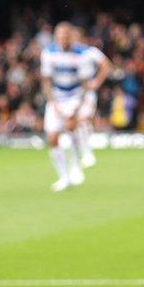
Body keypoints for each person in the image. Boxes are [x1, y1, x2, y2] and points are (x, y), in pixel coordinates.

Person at [41, 22, 104, 191]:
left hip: (74, 95)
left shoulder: (82, 54)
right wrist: (53, 103)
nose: (62, 39)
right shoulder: (48, 53)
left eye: (65, 36)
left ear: (71, 37)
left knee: (71, 127)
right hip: (56, 97)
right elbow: (46, 81)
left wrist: (76, 107)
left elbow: (84, 83)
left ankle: (76, 165)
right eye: (59, 36)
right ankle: (63, 177)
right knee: (52, 137)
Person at [70, 26, 112, 169]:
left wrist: (97, 82)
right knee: (74, 124)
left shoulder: (90, 52)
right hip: (70, 94)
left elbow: (106, 65)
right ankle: (82, 151)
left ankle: (87, 152)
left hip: (86, 93)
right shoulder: (66, 54)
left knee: (83, 119)